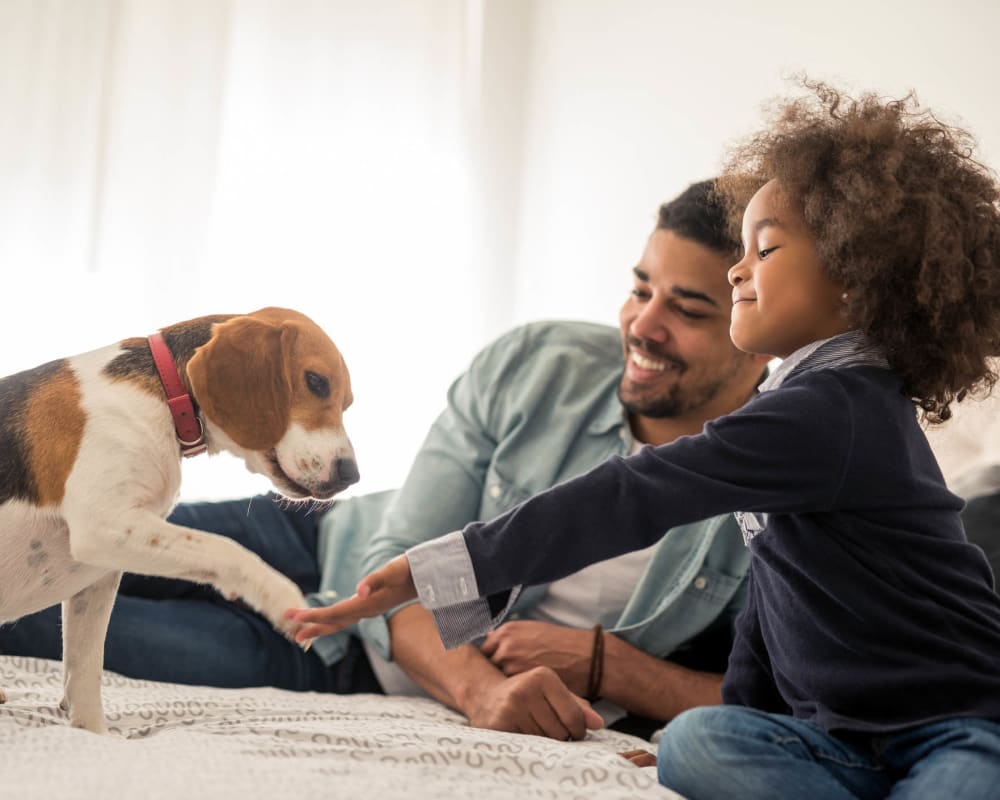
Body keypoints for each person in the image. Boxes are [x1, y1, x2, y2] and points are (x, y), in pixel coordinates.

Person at [289, 81, 1000, 799]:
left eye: (766, 249)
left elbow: (633, 493)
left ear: (855, 276)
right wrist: (744, 714)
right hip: (844, 741)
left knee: (967, 779)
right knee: (694, 742)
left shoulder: (837, 409)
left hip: (955, 719)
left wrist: (446, 568)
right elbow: (777, 600)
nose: (737, 269)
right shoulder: (798, 404)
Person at [0, 180, 770, 740]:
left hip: (335, 656)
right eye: (641, 289)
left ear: (754, 319)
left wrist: (611, 670)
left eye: (689, 308)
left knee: (19, 629)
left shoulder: (782, 482)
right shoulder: (538, 363)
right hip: (313, 537)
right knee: (56, 536)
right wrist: (478, 692)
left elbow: (781, 699)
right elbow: (398, 556)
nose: (644, 325)